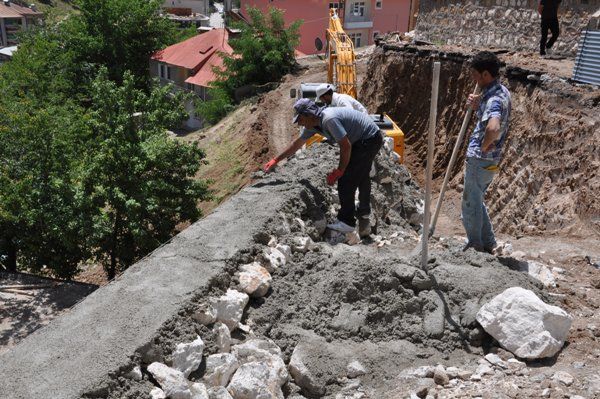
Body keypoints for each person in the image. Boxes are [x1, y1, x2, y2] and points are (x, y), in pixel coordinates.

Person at [263, 98, 383, 237]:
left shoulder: (328, 120)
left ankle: (347, 222)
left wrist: (340, 170)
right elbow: (297, 144)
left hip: (369, 139)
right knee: (361, 175)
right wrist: (276, 159)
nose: (299, 123)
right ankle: (364, 212)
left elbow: (345, 146)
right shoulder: (312, 126)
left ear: (309, 115)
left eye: (300, 119)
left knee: (346, 180)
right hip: (363, 138)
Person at [462, 51, 511, 254]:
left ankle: (475, 245)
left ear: (484, 74)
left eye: (475, 74)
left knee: (470, 202)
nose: (473, 78)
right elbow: (489, 109)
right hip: (491, 160)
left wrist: (483, 146)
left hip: (480, 159)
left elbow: (493, 127)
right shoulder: (499, 92)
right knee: (477, 198)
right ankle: (489, 242)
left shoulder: (494, 100)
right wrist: (477, 104)